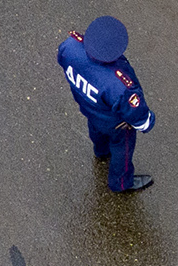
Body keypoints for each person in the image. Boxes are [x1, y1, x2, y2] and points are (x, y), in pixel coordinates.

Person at [57, 16, 156, 192]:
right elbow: (142, 121)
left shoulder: (70, 47)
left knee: (96, 130)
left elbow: (62, 61)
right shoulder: (119, 85)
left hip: (89, 109)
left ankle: (101, 151)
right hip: (116, 124)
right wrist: (149, 119)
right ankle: (121, 183)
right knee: (122, 150)